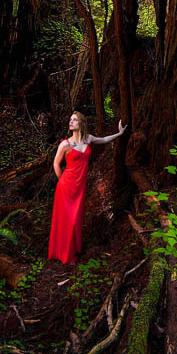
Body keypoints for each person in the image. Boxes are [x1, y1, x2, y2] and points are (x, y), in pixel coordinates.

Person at [48, 111, 127, 264]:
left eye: (74, 120)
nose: (71, 122)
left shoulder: (88, 139)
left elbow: (104, 139)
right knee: (67, 220)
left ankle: (74, 249)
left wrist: (119, 134)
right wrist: (62, 181)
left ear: (82, 123)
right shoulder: (65, 144)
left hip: (80, 187)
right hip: (66, 186)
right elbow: (56, 164)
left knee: (76, 219)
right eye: (70, 119)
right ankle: (65, 255)